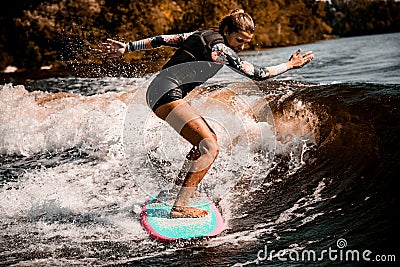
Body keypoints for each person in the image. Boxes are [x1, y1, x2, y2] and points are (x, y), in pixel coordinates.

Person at [100, 9, 314, 218]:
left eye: (246, 42)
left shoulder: (201, 35)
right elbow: (258, 74)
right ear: (228, 30)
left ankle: (177, 193)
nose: (241, 46)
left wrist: (128, 47)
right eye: (239, 40)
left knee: (204, 142)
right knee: (210, 146)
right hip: (166, 94)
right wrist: (290, 64)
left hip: (159, 89)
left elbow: (163, 39)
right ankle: (180, 206)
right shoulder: (221, 50)